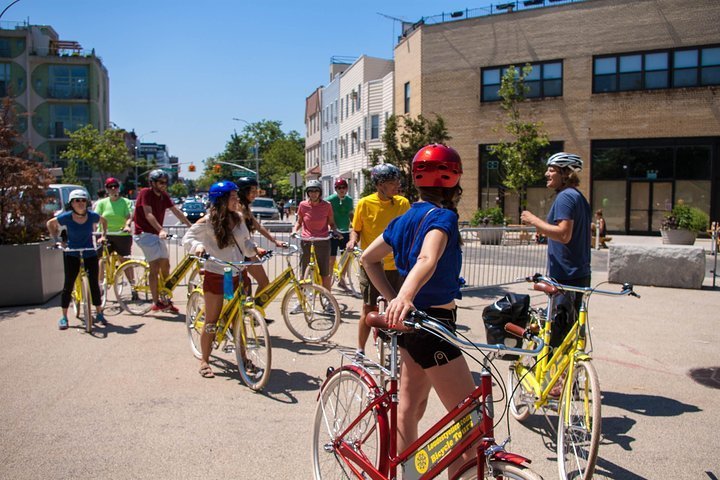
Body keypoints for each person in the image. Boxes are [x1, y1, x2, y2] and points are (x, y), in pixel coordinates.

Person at [361, 144, 471, 476]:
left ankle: (408, 473)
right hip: (433, 323)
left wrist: (392, 295)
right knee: (468, 416)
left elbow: (368, 258)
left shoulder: (405, 217)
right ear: (454, 179)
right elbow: (428, 258)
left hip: (411, 325)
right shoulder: (443, 216)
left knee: (410, 408)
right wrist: (403, 296)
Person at [183, 181, 260, 378]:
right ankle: (205, 361)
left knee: (239, 319)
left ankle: (243, 358)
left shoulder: (240, 219)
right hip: (218, 274)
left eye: (236, 197)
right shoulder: (208, 221)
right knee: (212, 320)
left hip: (238, 274)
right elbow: (188, 238)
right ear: (221, 200)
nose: (236, 200)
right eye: (232, 197)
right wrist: (198, 248)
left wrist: (255, 249)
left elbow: (246, 243)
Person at [520, 151, 591, 353]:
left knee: (557, 338)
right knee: (571, 335)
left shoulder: (565, 197)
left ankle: (556, 383)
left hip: (566, 277)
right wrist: (544, 233)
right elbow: (570, 235)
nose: (546, 173)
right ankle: (570, 381)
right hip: (577, 274)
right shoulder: (577, 196)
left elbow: (564, 234)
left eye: (551, 170)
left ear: (565, 173)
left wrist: (534, 220)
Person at [346, 163, 409, 358]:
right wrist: (352, 240)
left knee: (398, 308)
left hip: (397, 265)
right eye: (392, 182)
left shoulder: (403, 203)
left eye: (398, 181)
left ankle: (398, 348)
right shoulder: (365, 203)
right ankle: (360, 349)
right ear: (380, 184)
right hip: (372, 265)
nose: (397, 185)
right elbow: (355, 228)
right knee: (368, 307)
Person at [47, 189, 108, 329]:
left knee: (93, 283)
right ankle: (64, 316)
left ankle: (99, 313)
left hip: (89, 252)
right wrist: (57, 240)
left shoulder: (92, 216)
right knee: (68, 284)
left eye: (83, 200)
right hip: (72, 252)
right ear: (71, 203)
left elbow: (104, 221)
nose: (80, 203)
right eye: (77, 200)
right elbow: (50, 223)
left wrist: (103, 236)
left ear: (87, 202)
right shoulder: (66, 217)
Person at [132, 169, 192, 313]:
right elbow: (149, 214)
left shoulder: (164, 196)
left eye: (165, 182)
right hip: (145, 234)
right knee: (155, 267)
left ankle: (165, 298)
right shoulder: (145, 193)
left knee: (166, 265)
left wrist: (191, 226)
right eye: (160, 182)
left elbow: (176, 211)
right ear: (152, 183)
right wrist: (161, 230)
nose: (164, 185)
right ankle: (156, 302)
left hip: (156, 234)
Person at [236, 177, 287, 296]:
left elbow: (258, 227)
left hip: (247, 251)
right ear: (244, 192)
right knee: (245, 287)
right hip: (238, 251)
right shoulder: (238, 208)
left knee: (263, 282)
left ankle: (253, 311)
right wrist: (255, 248)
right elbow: (239, 234)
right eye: (252, 191)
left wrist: (275, 241)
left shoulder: (245, 207)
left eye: (256, 191)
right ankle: (249, 311)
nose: (255, 194)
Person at [293, 179, 340, 293]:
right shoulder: (303, 205)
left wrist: (335, 231)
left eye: (316, 191)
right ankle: (302, 300)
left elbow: (332, 223)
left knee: (325, 272)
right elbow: (299, 222)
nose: (313, 193)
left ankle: (327, 298)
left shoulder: (327, 205)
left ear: (320, 192)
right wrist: (294, 231)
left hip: (322, 240)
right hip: (306, 240)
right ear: (307, 192)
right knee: (304, 271)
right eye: (311, 191)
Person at [94, 177, 134, 277]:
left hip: (121, 234)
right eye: (110, 187)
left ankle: (133, 286)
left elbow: (129, 216)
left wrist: (127, 225)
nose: (113, 189)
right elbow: (96, 217)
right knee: (102, 259)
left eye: (115, 186)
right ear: (106, 189)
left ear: (118, 187)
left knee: (124, 260)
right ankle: (99, 285)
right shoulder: (101, 203)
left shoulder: (126, 202)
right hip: (104, 234)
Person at [325, 178, 354, 290]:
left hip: (345, 232)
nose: (341, 190)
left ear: (347, 188)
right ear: (335, 189)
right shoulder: (329, 200)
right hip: (333, 232)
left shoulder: (349, 200)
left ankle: (342, 280)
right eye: (339, 188)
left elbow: (351, 214)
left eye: (343, 187)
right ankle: (328, 285)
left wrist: (354, 225)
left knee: (346, 257)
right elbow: (326, 216)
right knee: (331, 259)